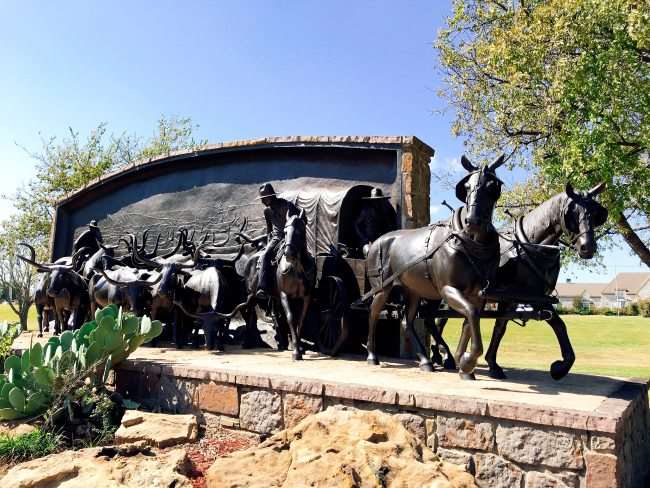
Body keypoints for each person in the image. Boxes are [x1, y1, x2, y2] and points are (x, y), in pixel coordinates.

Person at [256, 183, 301, 296]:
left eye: (263, 198)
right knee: (265, 256)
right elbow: (269, 229)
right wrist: (267, 243)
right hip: (276, 239)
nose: (262, 201)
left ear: (270, 196)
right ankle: (263, 287)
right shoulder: (267, 211)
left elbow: (297, 220)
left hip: (289, 236)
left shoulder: (286, 205)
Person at [354, 188, 398, 256]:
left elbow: (391, 225)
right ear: (372, 200)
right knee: (368, 251)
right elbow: (357, 225)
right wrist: (365, 239)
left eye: (379, 200)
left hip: (383, 240)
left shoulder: (386, 210)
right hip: (370, 241)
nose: (377, 202)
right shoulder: (366, 211)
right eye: (376, 200)